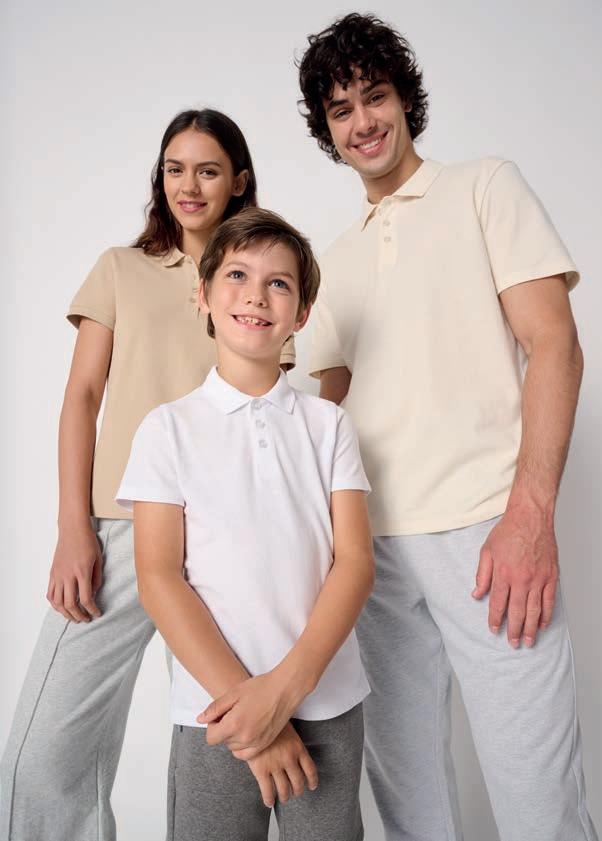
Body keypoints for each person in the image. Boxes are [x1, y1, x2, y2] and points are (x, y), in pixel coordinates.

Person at [298, 12, 598, 841]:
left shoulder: (484, 186)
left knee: (538, 799)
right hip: (370, 552)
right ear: (327, 130)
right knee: (410, 809)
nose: (362, 122)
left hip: (486, 533)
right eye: (341, 110)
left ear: (405, 98)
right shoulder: (335, 258)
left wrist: (530, 514)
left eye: (375, 96)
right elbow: (329, 410)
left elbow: (556, 345)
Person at [0, 109, 294, 841]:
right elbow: (82, 397)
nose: (188, 185)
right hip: (125, 530)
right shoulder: (120, 269)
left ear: (239, 181)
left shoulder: (256, 281)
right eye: (174, 168)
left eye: (208, 170)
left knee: (218, 757)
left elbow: (269, 410)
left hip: (227, 539)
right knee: (44, 758)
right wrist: (75, 527)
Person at [115, 207, 374, 841]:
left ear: (302, 313)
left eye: (278, 283)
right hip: (214, 710)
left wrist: (283, 693)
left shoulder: (329, 426)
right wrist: (253, 716)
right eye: (237, 275)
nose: (256, 295)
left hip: (326, 701)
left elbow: (355, 563)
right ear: (203, 294)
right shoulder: (166, 429)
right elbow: (159, 577)